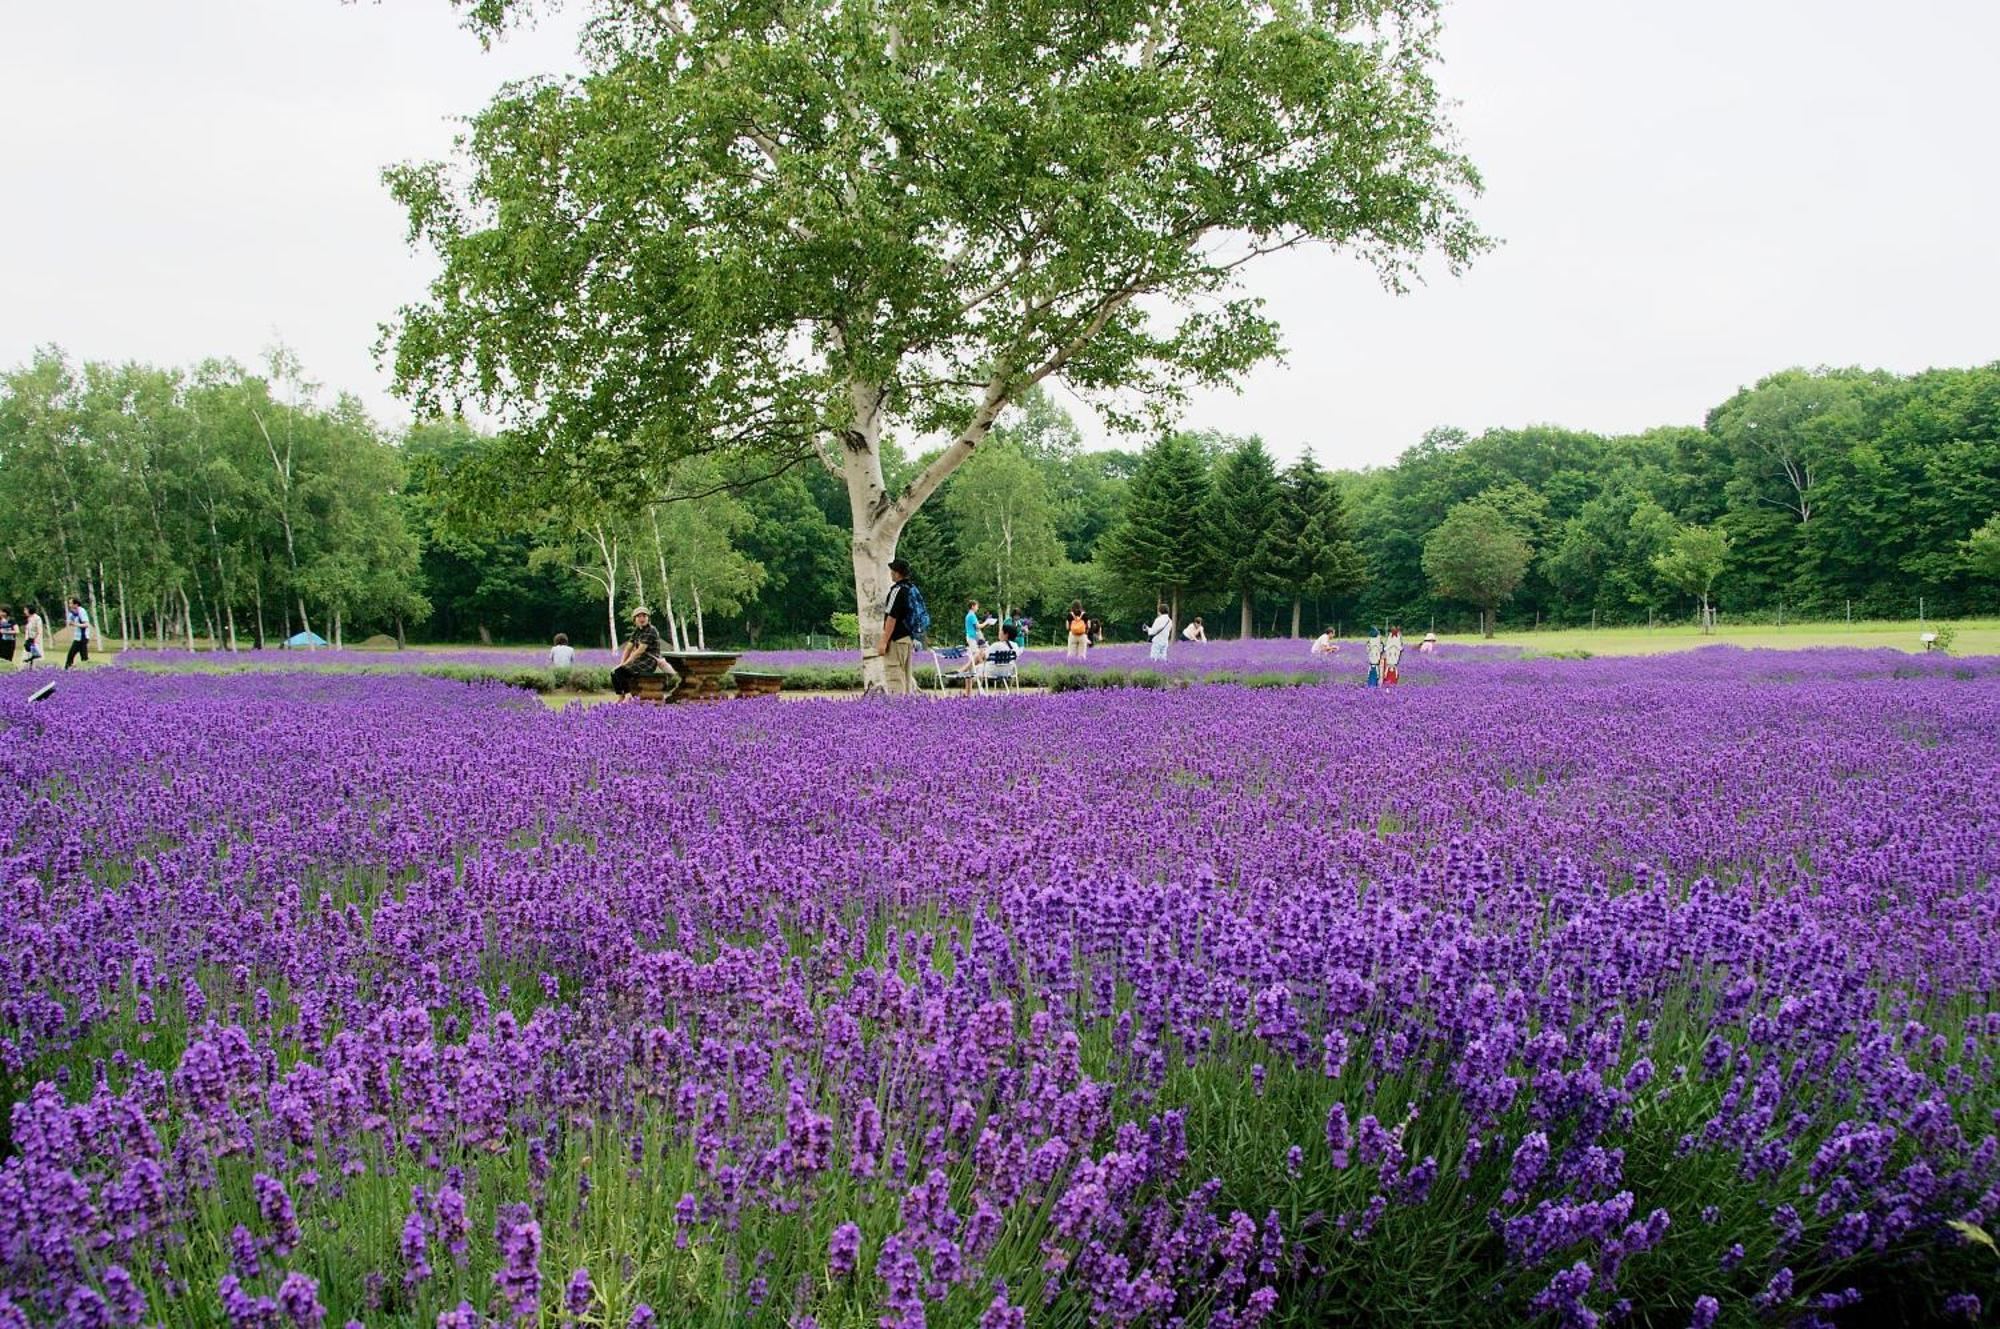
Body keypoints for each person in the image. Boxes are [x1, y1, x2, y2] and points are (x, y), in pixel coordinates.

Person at [871, 558, 921, 696]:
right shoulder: (912, 589)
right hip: (908, 638)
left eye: (892, 571)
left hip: (897, 639)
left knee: (893, 674)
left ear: (898, 573)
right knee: (905, 674)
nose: (891, 573)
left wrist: (883, 641)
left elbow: (891, 617)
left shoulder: (897, 590)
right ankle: (907, 708)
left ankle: (897, 709)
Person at [611, 607, 664, 699]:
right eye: (638, 616)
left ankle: (628, 696)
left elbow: (640, 651)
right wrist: (621, 663)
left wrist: (625, 664)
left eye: (644, 616)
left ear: (648, 618)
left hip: (649, 662)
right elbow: (628, 648)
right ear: (634, 620)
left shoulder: (651, 630)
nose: (642, 618)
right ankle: (621, 697)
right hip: (639, 661)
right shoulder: (637, 630)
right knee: (614, 672)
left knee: (620, 671)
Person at [64, 598, 91, 669]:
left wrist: (75, 624)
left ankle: (67, 670)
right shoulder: (72, 612)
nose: (69, 605)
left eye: (71, 603)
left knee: (72, 655)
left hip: (82, 637)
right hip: (77, 637)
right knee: (83, 657)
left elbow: (86, 624)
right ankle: (86, 670)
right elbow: (69, 622)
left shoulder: (81, 611)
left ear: (76, 604)